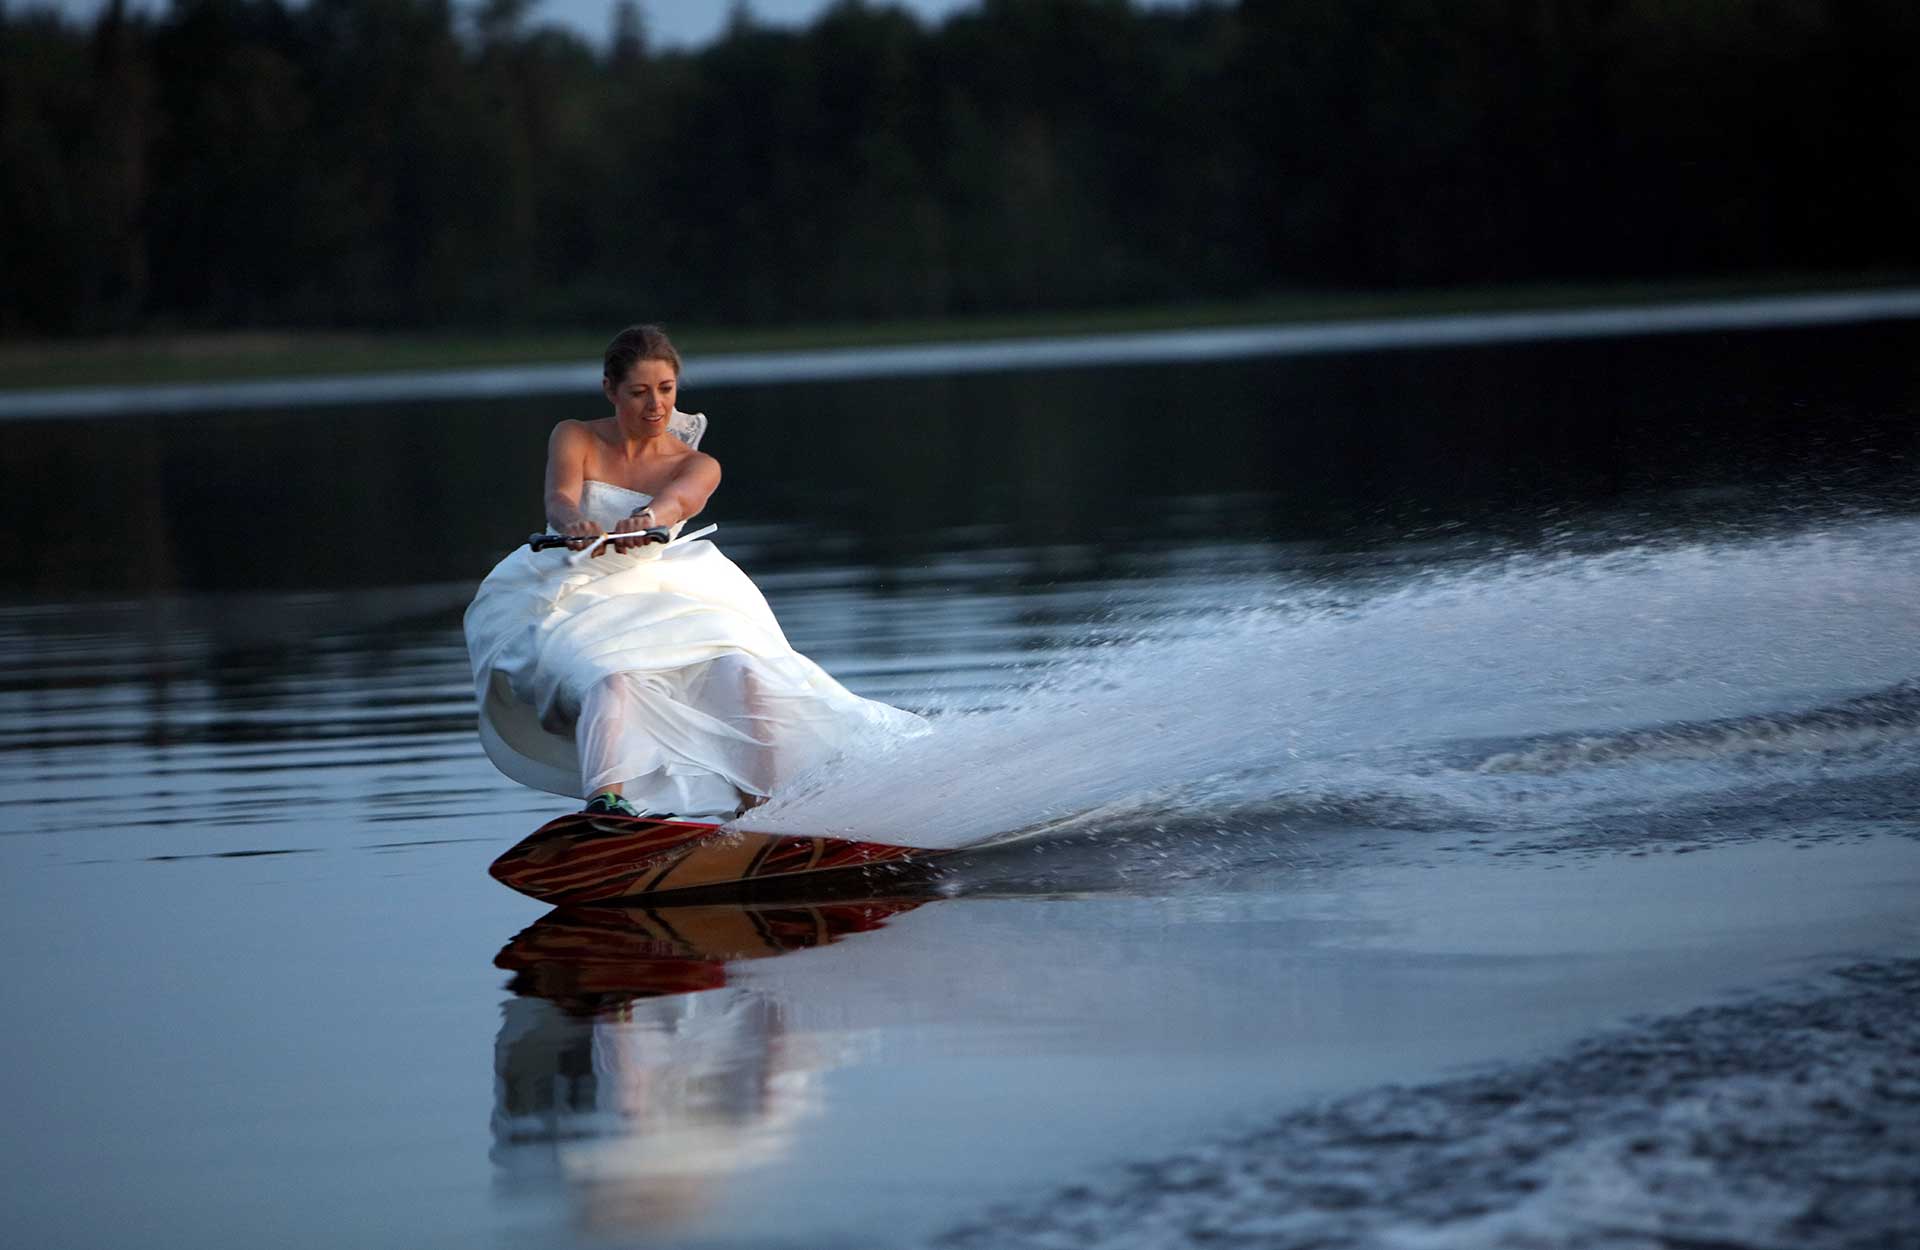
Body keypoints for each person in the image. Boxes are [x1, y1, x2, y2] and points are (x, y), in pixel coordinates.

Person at [464, 324, 923, 819]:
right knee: (611, 677)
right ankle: (608, 803)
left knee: (741, 669)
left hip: (663, 585)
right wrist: (572, 520)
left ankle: (764, 808)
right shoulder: (575, 435)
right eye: (639, 392)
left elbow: (679, 499)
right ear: (610, 390)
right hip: (576, 587)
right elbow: (560, 497)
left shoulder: (699, 463)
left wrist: (652, 519)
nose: (655, 406)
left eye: (665, 390)